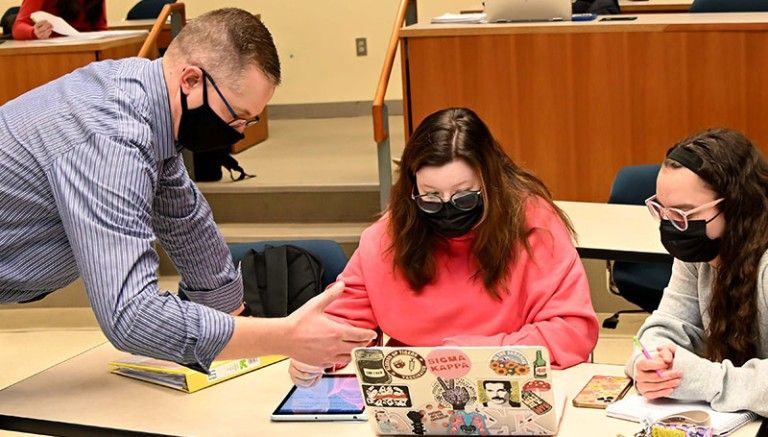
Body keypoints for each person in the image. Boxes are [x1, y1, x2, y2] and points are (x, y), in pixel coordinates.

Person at [0, 8, 375, 372]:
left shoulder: (147, 104)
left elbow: (186, 223)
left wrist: (237, 326)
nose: (240, 132)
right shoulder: (114, 134)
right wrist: (281, 337)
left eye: (250, 120)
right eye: (236, 117)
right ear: (191, 80)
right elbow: (131, 316)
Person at [290, 107, 599, 386]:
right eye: (431, 197)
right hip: (414, 392)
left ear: (489, 182)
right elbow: (343, 324)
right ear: (412, 189)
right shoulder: (388, 237)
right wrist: (314, 354)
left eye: (464, 196)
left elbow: (573, 332)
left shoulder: (533, 226)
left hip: (511, 386)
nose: (447, 208)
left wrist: (477, 355)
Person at [627, 128, 768, 416]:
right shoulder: (702, 251)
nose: (672, 226)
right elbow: (666, 326)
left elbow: (704, 379)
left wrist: (706, 379)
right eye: (663, 211)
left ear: (735, 205)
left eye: (684, 214)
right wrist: (649, 363)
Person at [12, 0, 107, 40]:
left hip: (88, 52)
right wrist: (34, 32)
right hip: (53, 54)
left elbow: (100, 28)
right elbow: (18, 27)